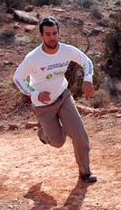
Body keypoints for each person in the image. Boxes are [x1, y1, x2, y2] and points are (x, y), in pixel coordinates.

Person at [13, 16, 97, 183]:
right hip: (43, 106)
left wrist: (88, 78)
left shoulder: (66, 50)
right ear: (41, 36)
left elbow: (86, 61)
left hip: (63, 97)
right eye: (48, 34)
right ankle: (44, 133)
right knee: (58, 142)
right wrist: (35, 94)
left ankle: (85, 172)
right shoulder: (33, 58)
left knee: (80, 134)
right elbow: (18, 78)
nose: (52, 37)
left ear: (59, 33)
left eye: (54, 33)